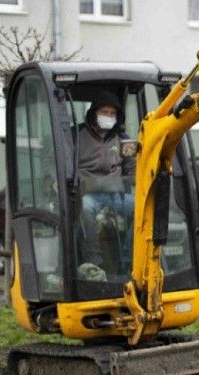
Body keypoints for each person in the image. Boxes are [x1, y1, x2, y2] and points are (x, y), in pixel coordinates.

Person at [77, 91, 136, 268]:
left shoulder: (123, 139)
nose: (109, 117)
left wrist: (142, 179)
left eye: (113, 114)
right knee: (85, 208)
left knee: (141, 208)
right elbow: (51, 161)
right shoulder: (76, 136)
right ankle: (94, 261)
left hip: (116, 196)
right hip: (88, 194)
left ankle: (127, 258)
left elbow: (133, 166)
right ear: (94, 113)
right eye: (105, 113)